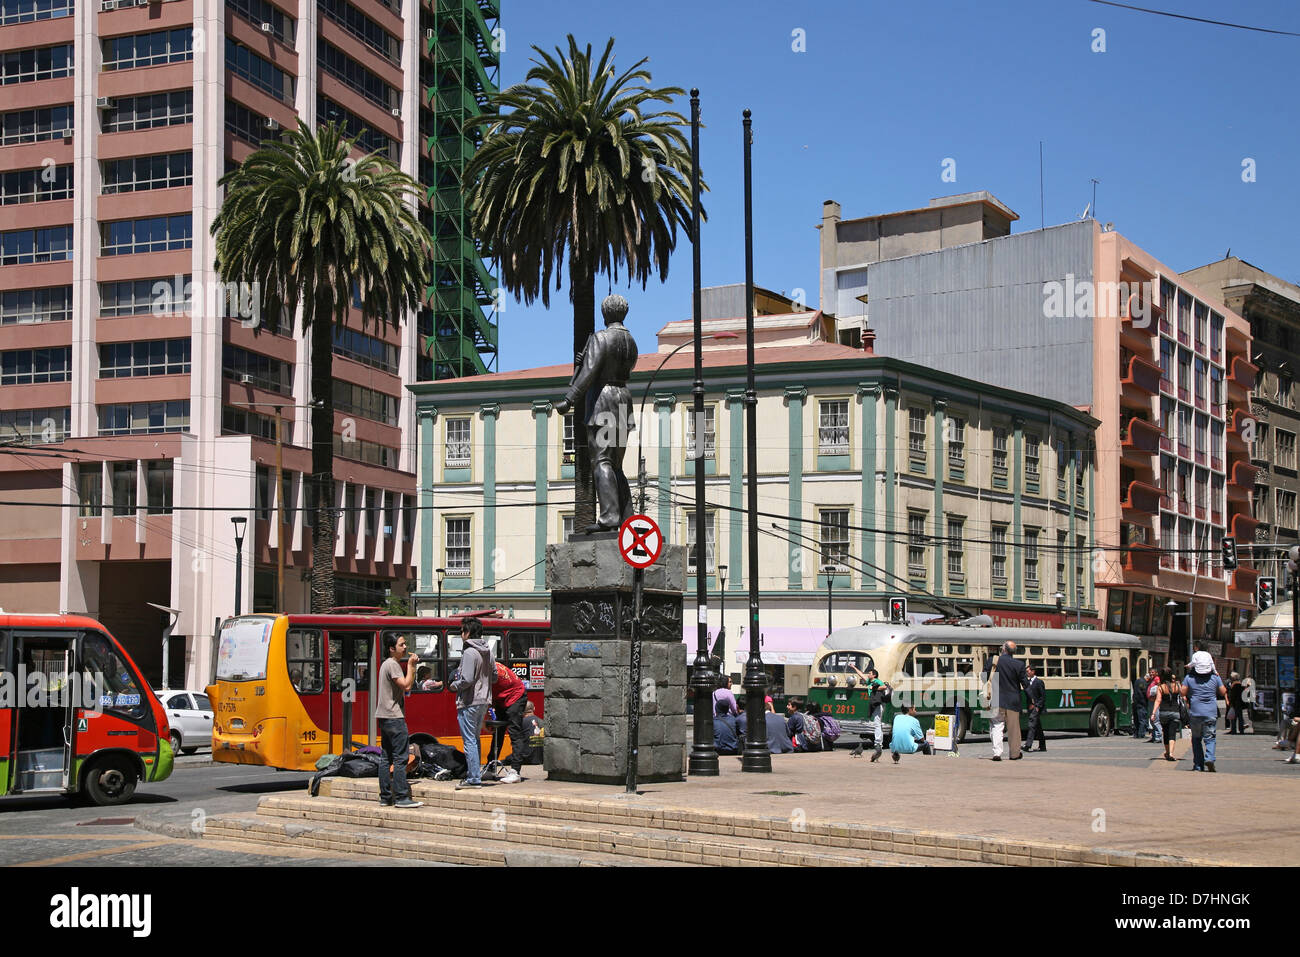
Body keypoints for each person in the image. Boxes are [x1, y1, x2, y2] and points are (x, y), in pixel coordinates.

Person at [376, 633, 423, 808]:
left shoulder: (385, 665)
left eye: (405, 644)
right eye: (401, 645)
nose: (405, 648)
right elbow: (407, 685)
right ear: (391, 648)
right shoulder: (393, 664)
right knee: (400, 757)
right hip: (394, 716)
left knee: (385, 757)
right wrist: (411, 666)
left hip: (384, 715)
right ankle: (402, 797)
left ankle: (385, 796)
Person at [450, 618, 495, 789]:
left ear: (467, 633)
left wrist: (455, 685)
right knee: (475, 739)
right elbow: (495, 676)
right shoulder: (488, 651)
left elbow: (467, 679)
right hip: (484, 700)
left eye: (462, 631)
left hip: (469, 701)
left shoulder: (469, 652)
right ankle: (475, 775)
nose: (461, 635)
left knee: (469, 740)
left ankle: (474, 778)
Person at [982, 641, 1029, 761]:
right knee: (1014, 728)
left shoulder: (993, 661)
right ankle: (1014, 754)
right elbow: (1026, 685)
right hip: (1013, 701)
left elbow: (983, 677)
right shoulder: (1019, 664)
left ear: (1003, 649)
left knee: (996, 726)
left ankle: (997, 753)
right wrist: (1032, 700)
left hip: (995, 699)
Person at [1183, 650, 1227, 772]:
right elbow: (1223, 692)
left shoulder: (1189, 678)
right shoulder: (1215, 677)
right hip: (1210, 713)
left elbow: (1183, 692)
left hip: (1195, 712)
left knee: (1196, 739)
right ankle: (1210, 758)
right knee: (1210, 738)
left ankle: (1198, 765)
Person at [491, 661, 528, 783]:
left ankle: (515, 772)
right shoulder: (486, 665)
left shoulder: (488, 669)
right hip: (502, 698)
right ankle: (491, 768)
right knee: (498, 731)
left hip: (515, 696)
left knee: (515, 732)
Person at [849, 664, 889, 761]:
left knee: (877, 722)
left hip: (879, 703)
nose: (868, 674)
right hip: (874, 703)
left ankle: (878, 743)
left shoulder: (876, 681)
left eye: (870, 673)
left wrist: (874, 688)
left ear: (874, 675)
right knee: (876, 722)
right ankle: (878, 742)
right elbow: (861, 675)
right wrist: (854, 668)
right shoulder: (869, 681)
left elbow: (884, 687)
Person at [1151, 667, 1182, 763]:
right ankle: (1171, 753)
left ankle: (1168, 752)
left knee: (1166, 733)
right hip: (1175, 712)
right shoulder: (1177, 685)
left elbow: (1158, 700)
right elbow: (1183, 696)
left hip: (1164, 712)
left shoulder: (1161, 687)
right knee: (1172, 733)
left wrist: (1153, 713)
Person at [1024, 663, 1047, 752]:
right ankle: (1042, 745)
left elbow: (1043, 696)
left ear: (1033, 671)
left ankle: (1028, 745)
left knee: (1032, 725)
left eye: (1028, 671)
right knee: (1037, 727)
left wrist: (1037, 706)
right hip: (1030, 707)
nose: (1027, 673)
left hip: (1036, 708)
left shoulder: (1039, 682)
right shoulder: (1028, 682)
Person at [1131, 670, 1149, 740]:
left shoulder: (1137, 681)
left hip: (1135, 703)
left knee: (1136, 719)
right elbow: (1144, 692)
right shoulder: (1143, 682)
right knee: (1142, 719)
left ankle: (1136, 733)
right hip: (1141, 703)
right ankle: (1141, 734)